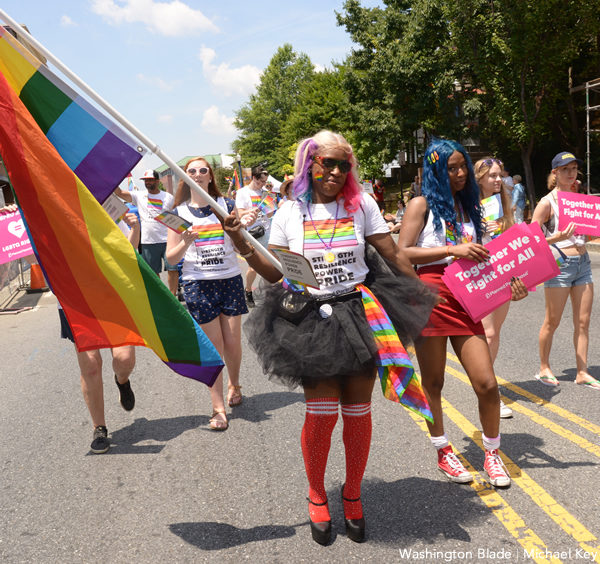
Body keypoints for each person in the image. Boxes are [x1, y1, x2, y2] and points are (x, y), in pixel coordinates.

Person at [218, 130, 435, 545]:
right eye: (327, 163)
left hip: (359, 313)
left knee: (358, 412)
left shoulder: (363, 205)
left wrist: (428, 300)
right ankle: (317, 494)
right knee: (321, 415)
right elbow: (275, 274)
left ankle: (352, 495)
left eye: (343, 165)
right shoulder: (288, 212)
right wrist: (239, 241)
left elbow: (392, 255)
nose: (335, 172)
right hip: (310, 321)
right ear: (309, 165)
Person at [398, 139, 527, 488]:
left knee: (486, 383)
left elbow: (487, 259)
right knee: (434, 382)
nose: (458, 173)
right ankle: (443, 450)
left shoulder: (471, 207)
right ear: (436, 171)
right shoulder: (420, 205)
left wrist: (510, 286)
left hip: (466, 295)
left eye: (462, 167)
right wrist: (451, 250)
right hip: (430, 297)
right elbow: (401, 254)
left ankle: (492, 454)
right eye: (450, 168)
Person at [166, 157, 250, 431]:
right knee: (214, 346)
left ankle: (234, 384)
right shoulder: (178, 212)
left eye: (204, 170)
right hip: (198, 283)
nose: (199, 174)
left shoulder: (225, 205)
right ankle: (217, 409)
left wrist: (243, 230)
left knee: (233, 341)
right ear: (185, 178)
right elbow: (171, 257)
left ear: (211, 176)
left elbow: (239, 246)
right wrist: (186, 242)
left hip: (229, 279)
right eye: (192, 171)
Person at [59, 211, 140, 454]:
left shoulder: (104, 205)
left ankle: (122, 381)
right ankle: (99, 427)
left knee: (124, 359)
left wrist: (134, 230)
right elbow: (35, 254)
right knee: (91, 365)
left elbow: (128, 252)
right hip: (75, 299)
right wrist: (16, 218)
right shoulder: (50, 208)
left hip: (113, 295)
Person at [530, 152, 598, 389]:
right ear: (555, 173)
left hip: (583, 263)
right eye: (565, 169)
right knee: (553, 320)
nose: (571, 173)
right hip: (560, 264)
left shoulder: (580, 200)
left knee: (583, 322)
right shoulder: (547, 202)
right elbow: (530, 237)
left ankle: (582, 371)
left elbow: (587, 233)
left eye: (574, 169)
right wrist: (555, 237)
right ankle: (544, 368)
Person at [475, 157, 521, 419]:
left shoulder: (503, 201)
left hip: (501, 271)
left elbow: (512, 235)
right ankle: (489, 390)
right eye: (492, 175)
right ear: (479, 176)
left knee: (494, 333)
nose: (497, 180)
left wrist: (503, 226)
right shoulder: (466, 201)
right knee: (488, 332)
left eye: (499, 175)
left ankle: (486, 384)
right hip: (477, 274)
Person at [116, 170, 178, 295]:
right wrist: (113, 176)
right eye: (146, 180)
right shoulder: (139, 196)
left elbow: (175, 218)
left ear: (157, 181)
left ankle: (173, 295)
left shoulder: (168, 197)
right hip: (148, 241)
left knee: (173, 269)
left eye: (150, 180)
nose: (148, 182)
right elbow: (119, 192)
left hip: (168, 240)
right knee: (153, 273)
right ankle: (163, 296)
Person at [235, 165, 272, 307]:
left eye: (264, 182)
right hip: (252, 233)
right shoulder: (243, 192)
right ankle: (248, 290)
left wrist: (269, 206)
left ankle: (269, 293)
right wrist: (253, 210)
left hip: (267, 232)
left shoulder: (265, 193)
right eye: (260, 182)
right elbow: (240, 212)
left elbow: (269, 213)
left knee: (270, 265)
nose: (262, 185)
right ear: (254, 178)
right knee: (254, 267)